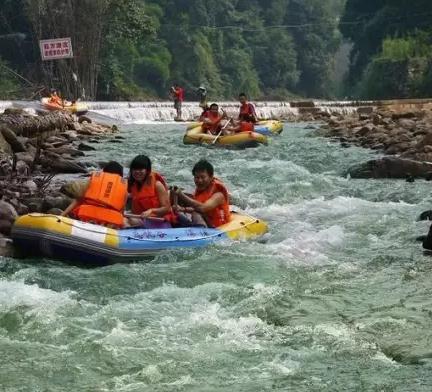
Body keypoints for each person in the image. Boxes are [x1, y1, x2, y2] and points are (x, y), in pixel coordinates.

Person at [61, 161, 128, 228]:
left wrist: (62, 216)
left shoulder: (94, 181)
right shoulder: (123, 187)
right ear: (120, 176)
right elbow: (121, 212)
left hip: (86, 217)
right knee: (124, 220)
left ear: (104, 172)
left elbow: (78, 200)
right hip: (108, 223)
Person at [172, 159, 231, 228]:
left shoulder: (219, 195)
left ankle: (199, 232)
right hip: (206, 222)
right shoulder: (201, 192)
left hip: (217, 228)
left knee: (196, 214)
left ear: (211, 177)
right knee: (175, 213)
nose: (199, 180)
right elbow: (197, 207)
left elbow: (203, 208)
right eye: (197, 177)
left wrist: (181, 195)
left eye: (203, 177)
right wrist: (182, 209)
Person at [127, 155, 175, 228]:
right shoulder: (133, 185)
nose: (137, 172)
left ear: (147, 171)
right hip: (141, 219)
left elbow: (167, 208)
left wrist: (152, 211)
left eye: (140, 169)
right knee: (124, 220)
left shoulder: (157, 185)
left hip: (158, 222)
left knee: (132, 220)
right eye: (134, 169)